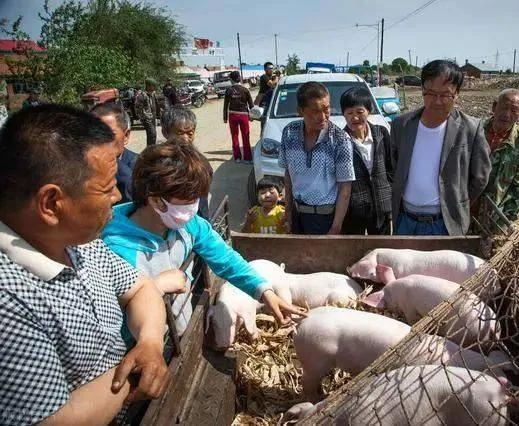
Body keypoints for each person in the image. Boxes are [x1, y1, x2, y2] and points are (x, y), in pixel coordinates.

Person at [0, 104, 169, 424]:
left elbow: (140, 289)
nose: (118, 197)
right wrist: (137, 374)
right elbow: (53, 420)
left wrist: (149, 342)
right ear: (51, 204)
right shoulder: (8, 296)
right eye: (106, 189)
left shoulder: (82, 241)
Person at [101, 141, 305, 341]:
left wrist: (264, 291)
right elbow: (106, 312)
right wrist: (154, 287)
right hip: (140, 345)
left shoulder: (189, 224)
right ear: (156, 200)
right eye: (189, 201)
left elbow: (225, 258)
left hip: (180, 324)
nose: (195, 208)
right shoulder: (116, 248)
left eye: (198, 199)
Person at [389, 60, 491, 236]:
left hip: (444, 224)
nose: (437, 101)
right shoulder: (402, 125)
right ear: (422, 89)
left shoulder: (470, 128)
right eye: (431, 93)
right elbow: (393, 165)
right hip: (405, 221)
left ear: (457, 94)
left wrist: (456, 201)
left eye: (445, 95)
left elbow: (480, 177)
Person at [279, 82, 355, 235]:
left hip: (324, 218)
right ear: (300, 111)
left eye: (326, 109)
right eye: (315, 111)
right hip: (296, 212)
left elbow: (345, 189)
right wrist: (288, 212)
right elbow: (288, 175)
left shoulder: (340, 140)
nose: (322, 117)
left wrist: (335, 228)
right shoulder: (289, 132)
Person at [340, 87, 393, 235]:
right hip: (353, 209)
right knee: (353, 251)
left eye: (359, 112)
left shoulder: (382, 133)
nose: (354, 117)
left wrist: (390, 197)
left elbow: (390, 168)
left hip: (381, 206)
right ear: (343, 114)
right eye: (349, 113)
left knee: (381, 249)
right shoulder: (340, 140)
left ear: (368, 111)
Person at [480, 88, 519, 225]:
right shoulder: (475, 130)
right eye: (503, 108)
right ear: (494, 107)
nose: (507, 114)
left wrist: (507, 218)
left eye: (514, 110)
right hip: (463, 209)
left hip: (494, 215)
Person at [92, 102, 138, 204]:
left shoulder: (141, 170)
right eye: (93, 134)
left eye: (108, 135)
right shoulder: (79, 168)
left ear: (126, 136)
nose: (100, 140)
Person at [223, 70, 254, 163]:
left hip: (232, 116)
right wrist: (252, 116)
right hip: (244, 116)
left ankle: (237, 158)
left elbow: (225, 105)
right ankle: (248, 158)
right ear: (239, 78)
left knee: (234, 136)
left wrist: (225, 117)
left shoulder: (229, 90)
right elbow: (251, 105)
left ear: (231, 79)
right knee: (245, 136)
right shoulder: (245, 90)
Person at [135, 78, 159, 146]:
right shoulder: (142, 95)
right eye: (153, 85)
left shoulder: (153, 94)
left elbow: (155, 105)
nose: (154, 87)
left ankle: (151, 151)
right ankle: (150, 152)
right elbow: (137, 108)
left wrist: (158, 115)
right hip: (147, 119)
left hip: (153, 118)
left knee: (152, 136)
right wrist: (143, 117)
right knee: (152, 134)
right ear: (148, 86)